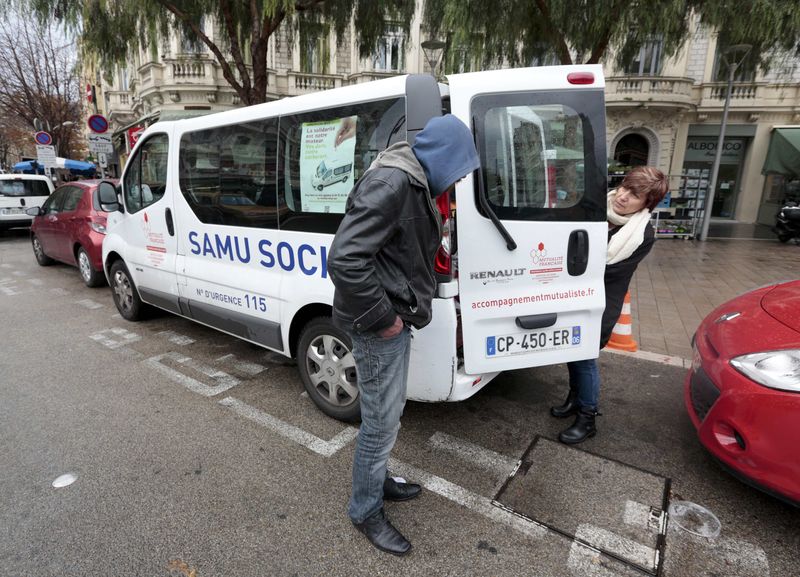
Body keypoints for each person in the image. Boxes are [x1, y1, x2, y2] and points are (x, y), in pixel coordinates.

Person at [327, 115, 480, 556]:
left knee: (388, 416)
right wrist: (385, 319)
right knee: (379, 422)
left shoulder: (411, 177)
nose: (459, 180)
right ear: (443, 157)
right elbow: (344, 259)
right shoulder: (394, 183)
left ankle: (379, 482)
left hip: (391, 317)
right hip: (378, 325)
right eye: (459, 168)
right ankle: (365, 510)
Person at [552, 166, 669, 445]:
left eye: (635, 195)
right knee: (573, 350)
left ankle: (587, 417)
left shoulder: (642, 235)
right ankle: (573, 398)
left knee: (585, 358)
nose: (624, 197)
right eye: (626, 188)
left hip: (601, 303)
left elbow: (605, 271)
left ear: (647, 203)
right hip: (574, 295)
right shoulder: (595, 209)